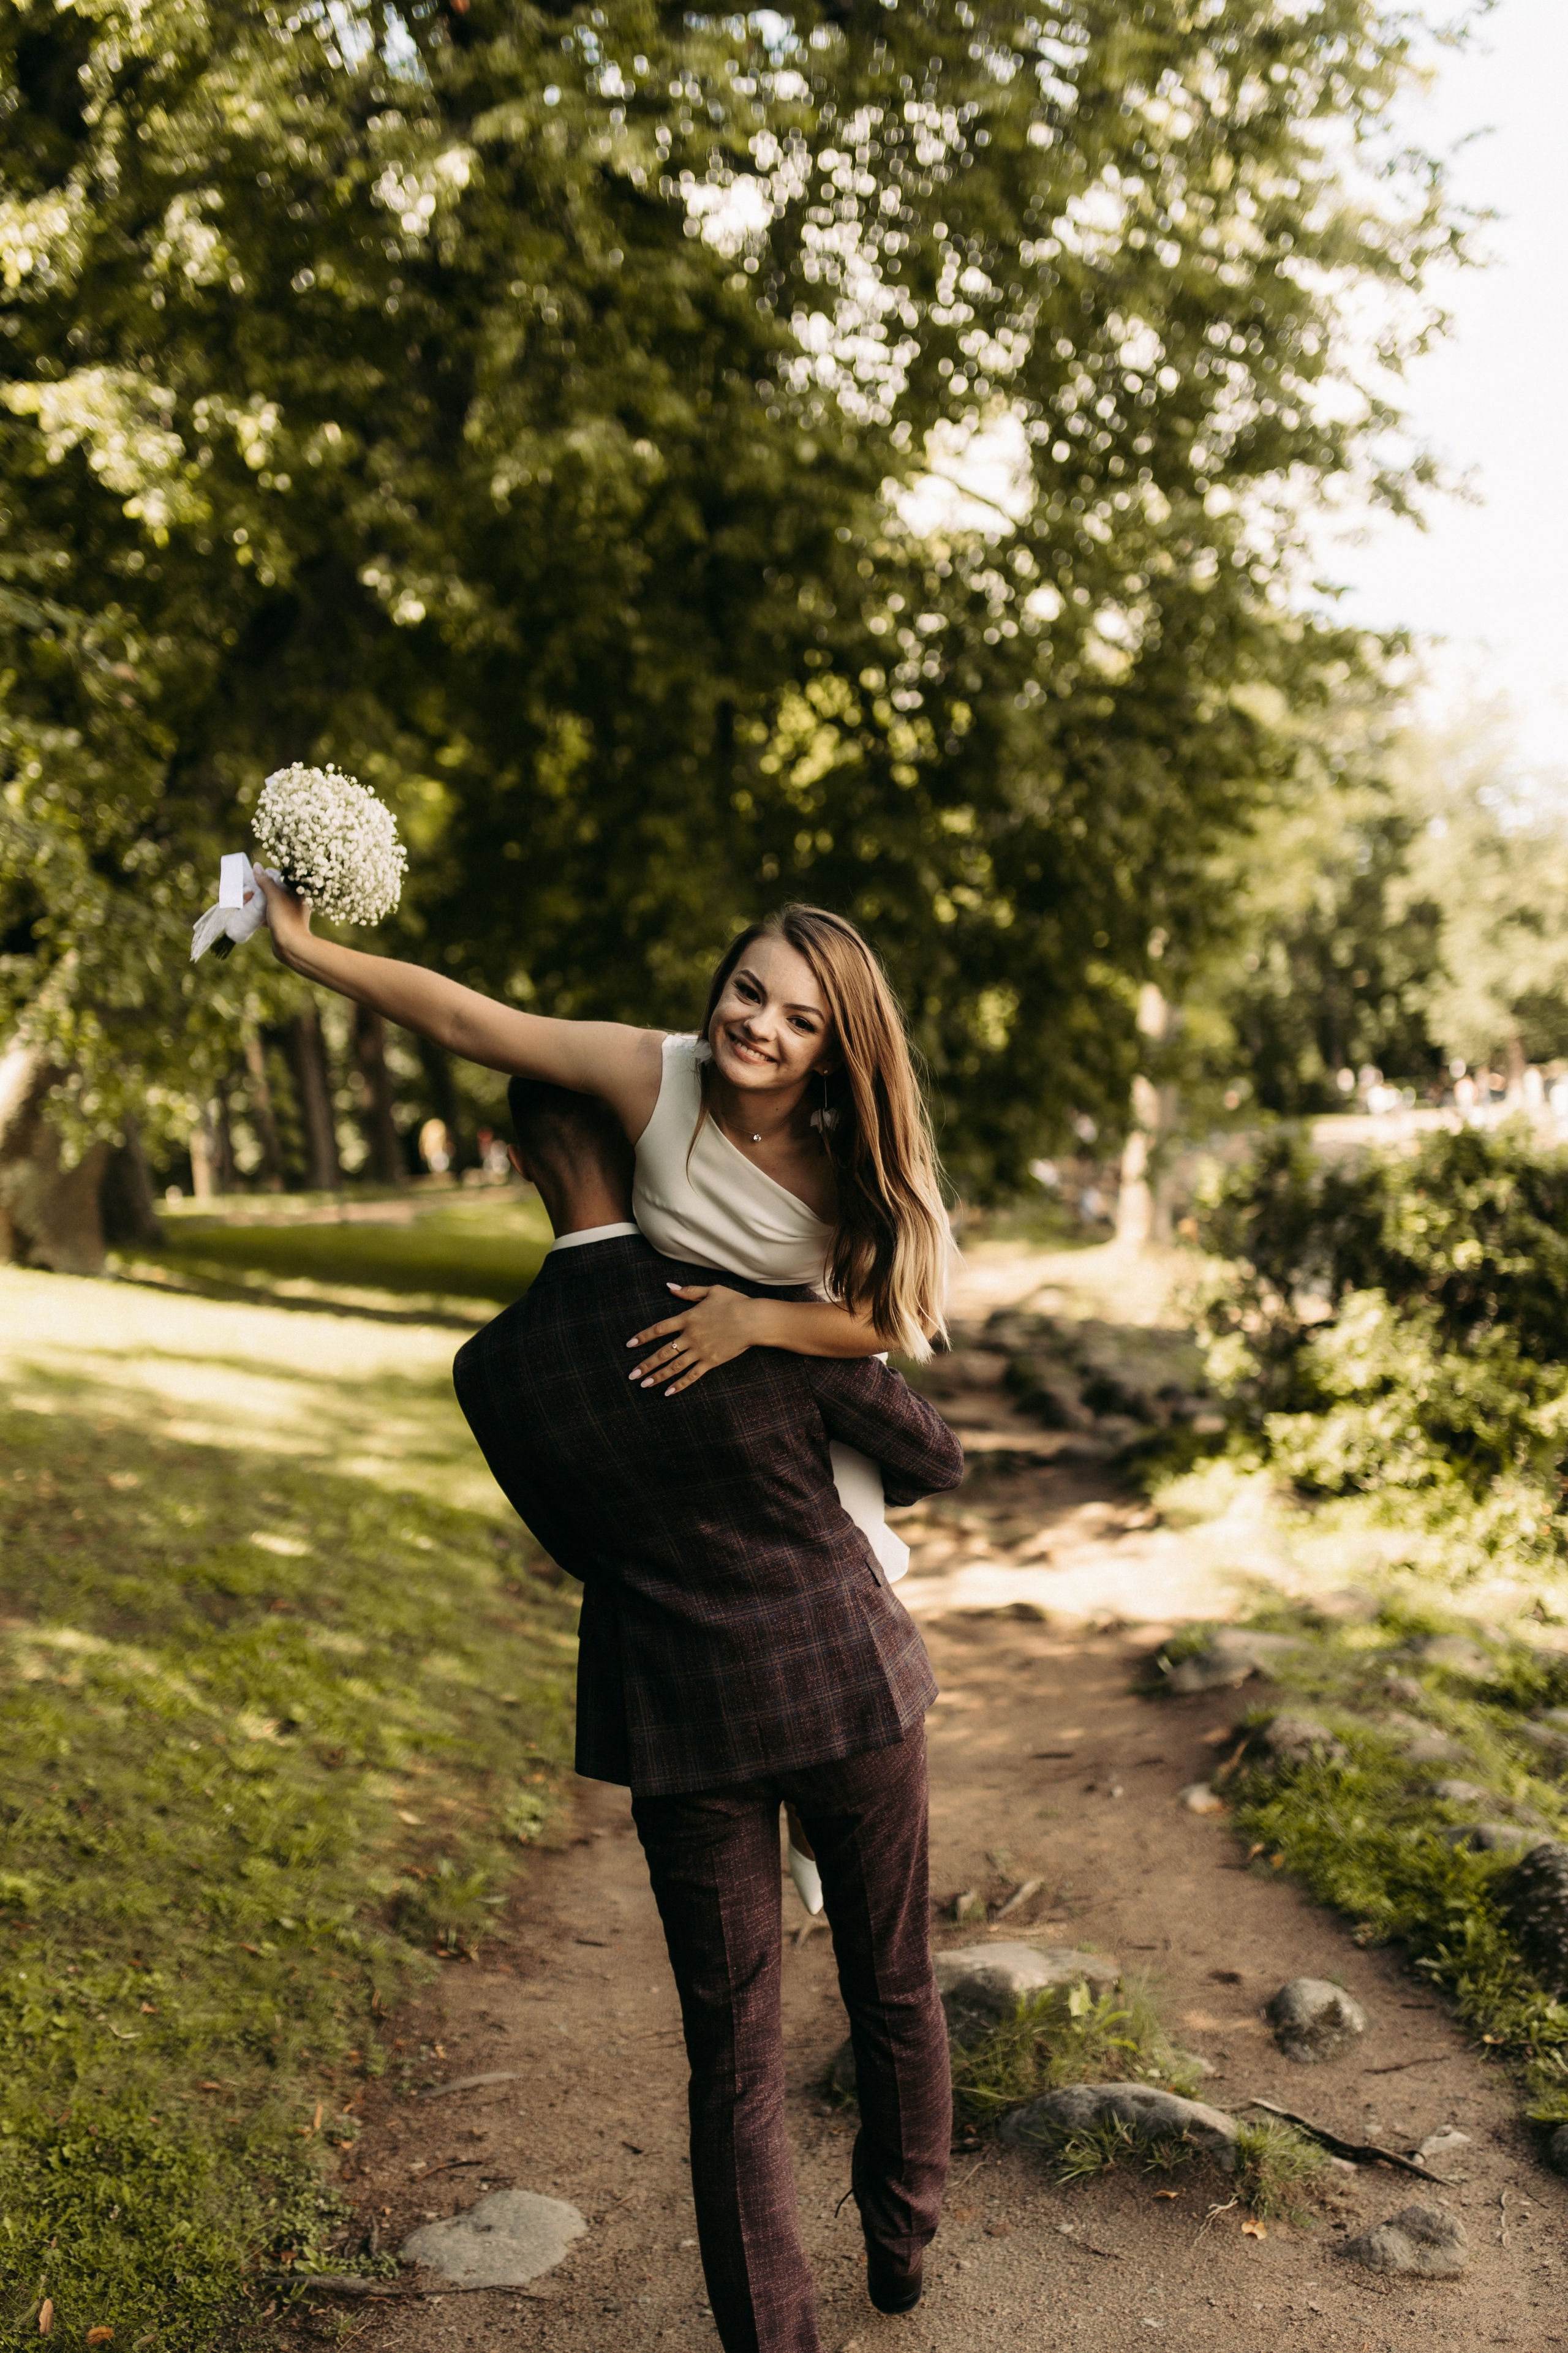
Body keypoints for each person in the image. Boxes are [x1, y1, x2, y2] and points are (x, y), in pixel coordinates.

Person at [254, 883, 953, 1896]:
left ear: (836, 1046)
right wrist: (306, 951)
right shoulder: (651, 1073)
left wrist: (754, 1321)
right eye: (749, 992)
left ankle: (818, 1812)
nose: (760, 1025)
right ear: (722, 983)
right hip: (684, 1379)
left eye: (800, 1019)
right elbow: (468, 1021)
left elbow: (901, 1317)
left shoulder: (854, 1152)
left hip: (804, 1357)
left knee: (838, 1611)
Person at [453, 1075, 964, 2353]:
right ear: (650, 1147)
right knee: (892, 1982)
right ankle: (898, 2247)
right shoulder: (751, 1309)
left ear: (517, 1157)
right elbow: (934, 1456)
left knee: (730, 2054)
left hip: (682, 1722)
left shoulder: (494, 1369)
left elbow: (577, 1546)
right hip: (848, 1682)